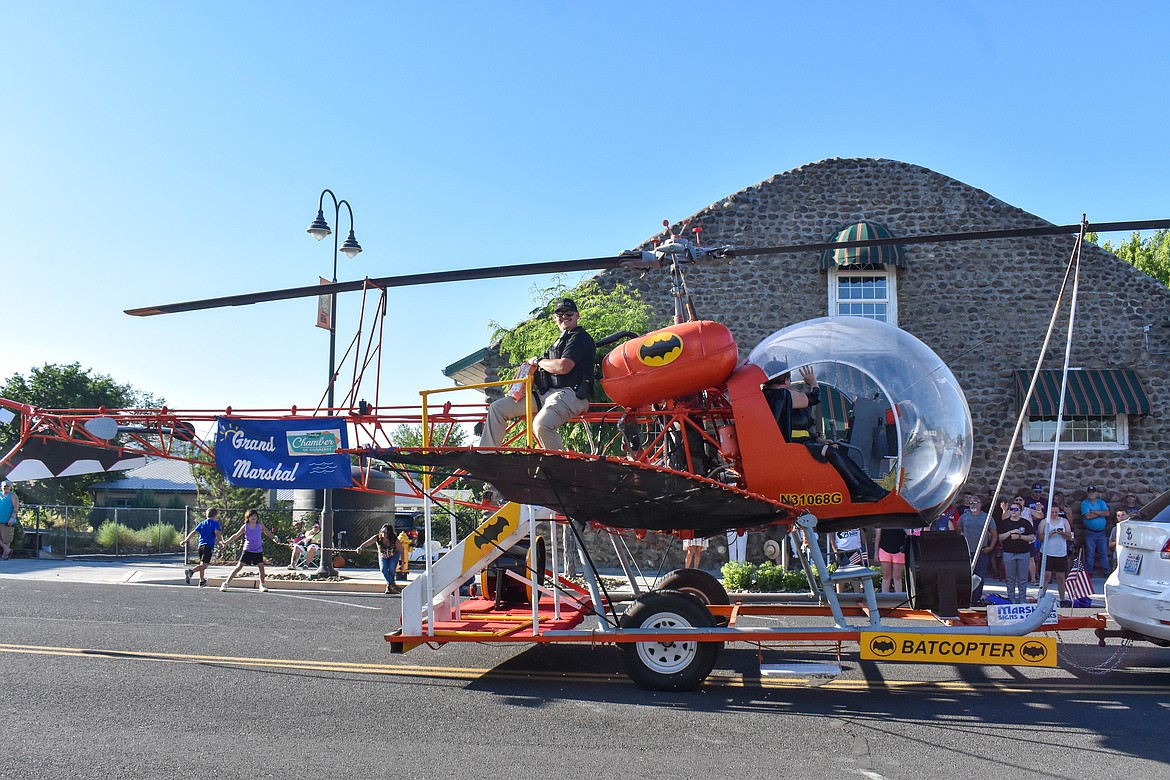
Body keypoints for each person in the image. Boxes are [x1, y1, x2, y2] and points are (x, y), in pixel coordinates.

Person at [479, 297, 596, 457]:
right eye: (559, 313)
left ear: (577, 315)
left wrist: (539, 361)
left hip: (573, 394)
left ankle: (559, 470)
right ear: (554, 318)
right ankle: (486, 457)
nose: (564, 316)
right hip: (547, 395)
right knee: (497, 408)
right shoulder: (556, 343)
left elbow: (563, 366)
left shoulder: (579, 337)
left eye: (568, 312)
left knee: (541, 424)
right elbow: (546, 370)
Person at [761, 366, 887, 503]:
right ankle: (861, 488)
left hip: (783, 446)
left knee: (832, 447)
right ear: (786, 380)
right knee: (832, 452)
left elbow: (793, 427)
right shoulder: (782, 395)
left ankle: (867, 487)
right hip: (790, 448)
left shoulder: (763, 396)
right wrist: (813, 381)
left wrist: (817, 439)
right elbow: (815, 397)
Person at [220, 509, 281, 592]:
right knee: (239, 566)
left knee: (261, 567)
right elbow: (235, 535)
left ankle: (262, 584)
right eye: (251, 516)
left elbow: (268, 533)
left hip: (258, 551)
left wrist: (274, 538)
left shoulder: (260, 526)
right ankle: (226, 584)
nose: (253, 517)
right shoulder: (245, 526)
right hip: (247, 550)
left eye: (255, 516)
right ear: (248, 517)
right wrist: (226, 543)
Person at [997, 499, 1036, 604]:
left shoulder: (1026, 523)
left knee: (1022, 578)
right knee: (1010, 578)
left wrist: (1019, 536)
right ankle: (1011, 599)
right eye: (1012, 509)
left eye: (1016, 509)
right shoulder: (1005, 523)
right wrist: (1011, 532)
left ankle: (1022, 600)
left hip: (1023, 553)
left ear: (1020, 511)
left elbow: (1032, 537)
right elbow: (1000, 538)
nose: (1013, 511)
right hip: (1009, 553)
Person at [957, 495, 992, 604]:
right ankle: (965, 598)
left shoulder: (986, 517)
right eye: (971, 503)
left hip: (981, 551)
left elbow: (994, 533)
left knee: (979, 576)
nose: (973, 505)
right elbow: (958, 531)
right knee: (965, 576)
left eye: (975, 503)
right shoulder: (964, 517)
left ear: (980, 504)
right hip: (967, 551)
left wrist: (990, 547)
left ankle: (976, 598)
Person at [1038, 504, 1074, 607]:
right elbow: (1040, 537)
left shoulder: (1064, 521)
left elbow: (1069, 536)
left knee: (1061, 577)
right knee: (1046, 576)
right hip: (1047, 552)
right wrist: (1050, 534)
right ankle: (1042, 597)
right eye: (1052, 512)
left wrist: (1061, 533)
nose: (1054, 514)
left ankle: (1062, 599)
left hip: (1061, 553)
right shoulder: (1044, 522)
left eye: (1056, 512)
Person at [179, 507, 223, 587]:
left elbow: (193, 532)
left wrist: (185, 540)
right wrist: (220, 541)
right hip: (208, 546)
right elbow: (217, 532)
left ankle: (202, 581)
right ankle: (191, 571)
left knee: (202, 564)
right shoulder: (215, 523)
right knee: (205, 565)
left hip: (200, 546)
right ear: (215, 516)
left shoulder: (202, 523)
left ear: (206, 515)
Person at [357, 523, 404, 594]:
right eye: (382, 532)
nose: (383, 534)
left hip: (394, 555)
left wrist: (403, 564)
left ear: (389, 533)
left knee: (392, 569)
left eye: (386, 533)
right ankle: (392, 585)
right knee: (383, 569)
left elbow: (402, 550)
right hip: (383, 556)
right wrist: (360, 547)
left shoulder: (394, 539)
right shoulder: (377, 538)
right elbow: (367, 542)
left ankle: (389, 587)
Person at [1080, 485, 1111, 576]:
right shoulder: (1084, 503)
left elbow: (1107, 513)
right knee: (1090, 553)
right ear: (1087, 494)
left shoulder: (1101, 502)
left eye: (1093, 493)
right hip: (1090, 532)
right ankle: (1089, 572)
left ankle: (1107, 571)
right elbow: (1088, 516)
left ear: (1096, 493)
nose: (1091, 494)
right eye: (1089, 493)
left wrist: (1093, 511)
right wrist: (1100, 513)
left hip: (1101, 532)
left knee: (1103, 552)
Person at [830, 527, 865, 593]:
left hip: (856, 549)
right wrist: (835, 548)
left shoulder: (856, 520)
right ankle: (839, 595)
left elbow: (861, 530)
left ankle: (857, 595)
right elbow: (831, 534)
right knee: (841, 573)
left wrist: (863, 545)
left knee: (856, 573)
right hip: (842, 549)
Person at [874, 527, 907, 593]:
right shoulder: (881, 522)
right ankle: (884, 596)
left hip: (899, 551)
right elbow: (877, 538)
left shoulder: (902, 521)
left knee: (897, 576)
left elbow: (909, 533)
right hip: (884, 550)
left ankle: (898, 597)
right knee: (886, 575)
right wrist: (876, 553)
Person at [0, 480, 19, 560]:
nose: (6, 488)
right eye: (4, 486)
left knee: (7, 538)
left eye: (8, 486)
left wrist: (12, 517)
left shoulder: (13, 495)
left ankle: (5, 555)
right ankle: (6, 549)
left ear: (10, 487)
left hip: (8, 520)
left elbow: (16, 507)